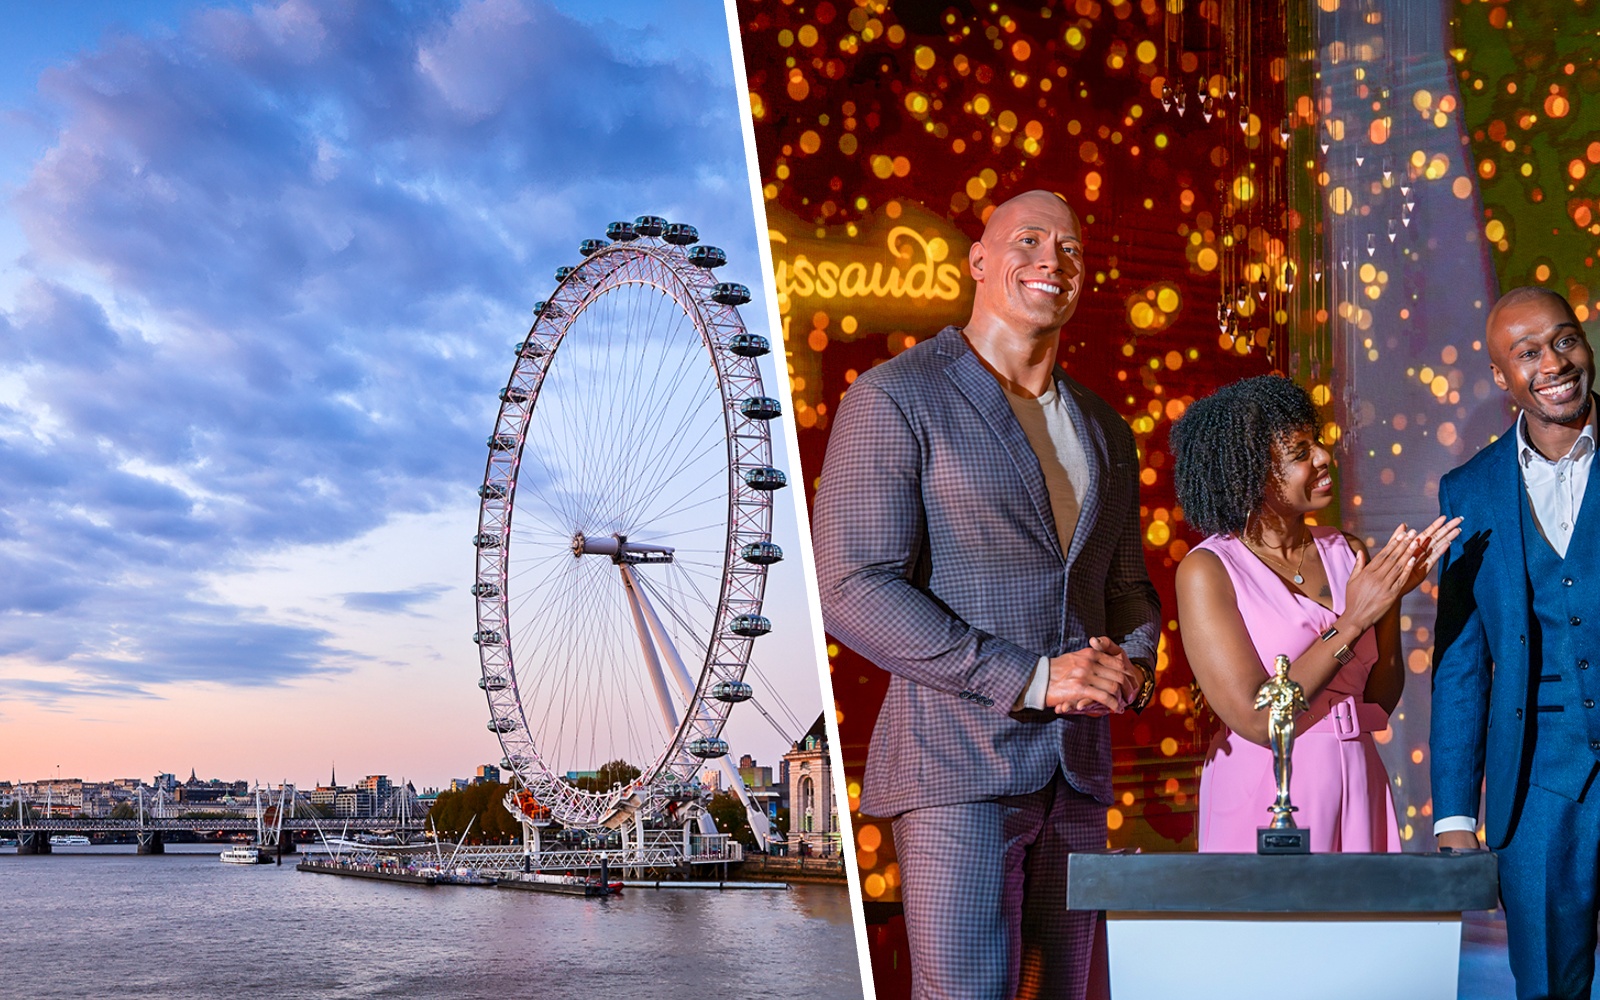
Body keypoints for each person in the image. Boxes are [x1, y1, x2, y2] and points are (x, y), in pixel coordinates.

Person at [813, 189, 1160, 1000]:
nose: (1051, 261)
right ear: (977, 260)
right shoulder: (896, 395)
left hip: (1075, 777)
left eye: (1070, 249)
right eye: (1029, 240)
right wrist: (1032, 678)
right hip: (955, 770)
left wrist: (1132, 665)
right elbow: (850, 585)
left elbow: (1128, 587)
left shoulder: (1106, 428)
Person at [1171, 375, 1457, 852]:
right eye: (1300, 452)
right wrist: (1353, 620)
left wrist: (1389, 600)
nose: (1323, 457)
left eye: (1317, 442)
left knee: (1362, 926)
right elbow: (1259, 719)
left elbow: (1380, 701)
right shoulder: (1207, 570)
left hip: (1358, 775)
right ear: (1250, 473)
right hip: (1268, 788)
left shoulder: (1346, 551)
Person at [1433, 286, 1600, 1000]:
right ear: (1503, 378)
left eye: (1564, 340)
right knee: (1546, 986)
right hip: (1535, 787)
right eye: (1527, 353)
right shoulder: (1467, 491)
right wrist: (1453, 812)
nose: (1554, 362)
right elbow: (1462, 664)